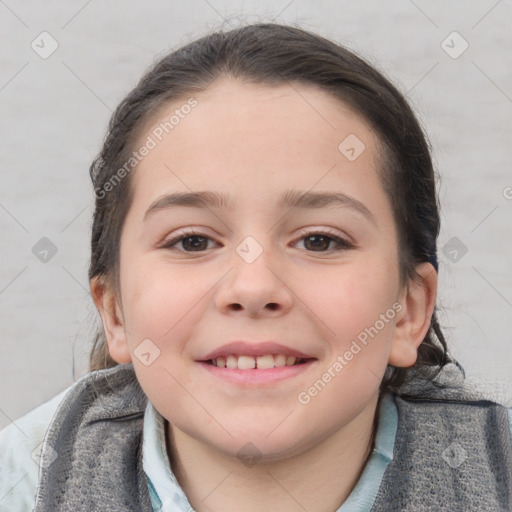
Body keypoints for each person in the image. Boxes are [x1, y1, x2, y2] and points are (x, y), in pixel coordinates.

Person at [1, 22, 511, 512]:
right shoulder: (22, 486)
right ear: (114, 313)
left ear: (408, 310)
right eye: (192, 240)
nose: (253, 286)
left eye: (319, 240)